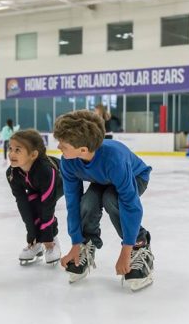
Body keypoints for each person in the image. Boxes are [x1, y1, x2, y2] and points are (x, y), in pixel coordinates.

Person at [54, 110, 154, 291]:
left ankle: (140, 247)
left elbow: (130, 204)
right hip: (102, 179)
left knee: (111, 199)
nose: (59, 147)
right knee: (88, 202)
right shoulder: (68, 162)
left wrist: (126, 249)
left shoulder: (114, 158)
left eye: (63, 144)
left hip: (136, 176)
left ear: (83, 150)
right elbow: (72, 202)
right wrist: (76, 242)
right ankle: (87, 243)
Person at [6, 129, 63, 265]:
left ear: (33, 155)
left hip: (61, 183)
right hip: (36, 187)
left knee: (39, 205)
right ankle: (36, 244)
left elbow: (48, 204)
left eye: (18, 150)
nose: (11, 154)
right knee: (30, 204)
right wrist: (31, 234)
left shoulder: (45, 170)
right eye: (10, 149)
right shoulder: (12, 173)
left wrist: (47, 236)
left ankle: (52, 243)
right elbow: (22, 202)